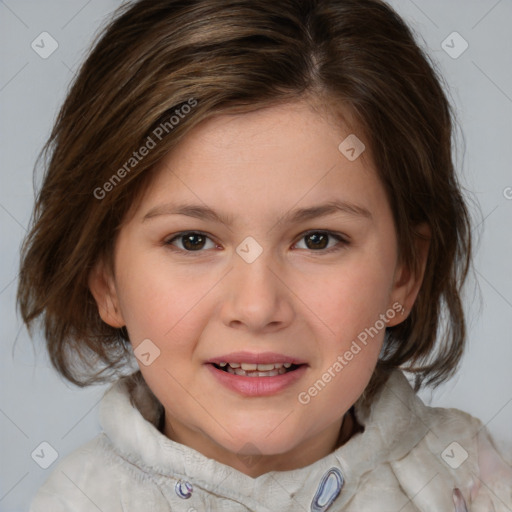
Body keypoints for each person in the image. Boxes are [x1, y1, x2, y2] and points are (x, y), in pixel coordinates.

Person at [17, 0, 511, 510]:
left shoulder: (484, 489)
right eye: (193, 240)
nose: (256, 308)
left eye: (317, 239)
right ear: (105, 279)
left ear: (405, 273)